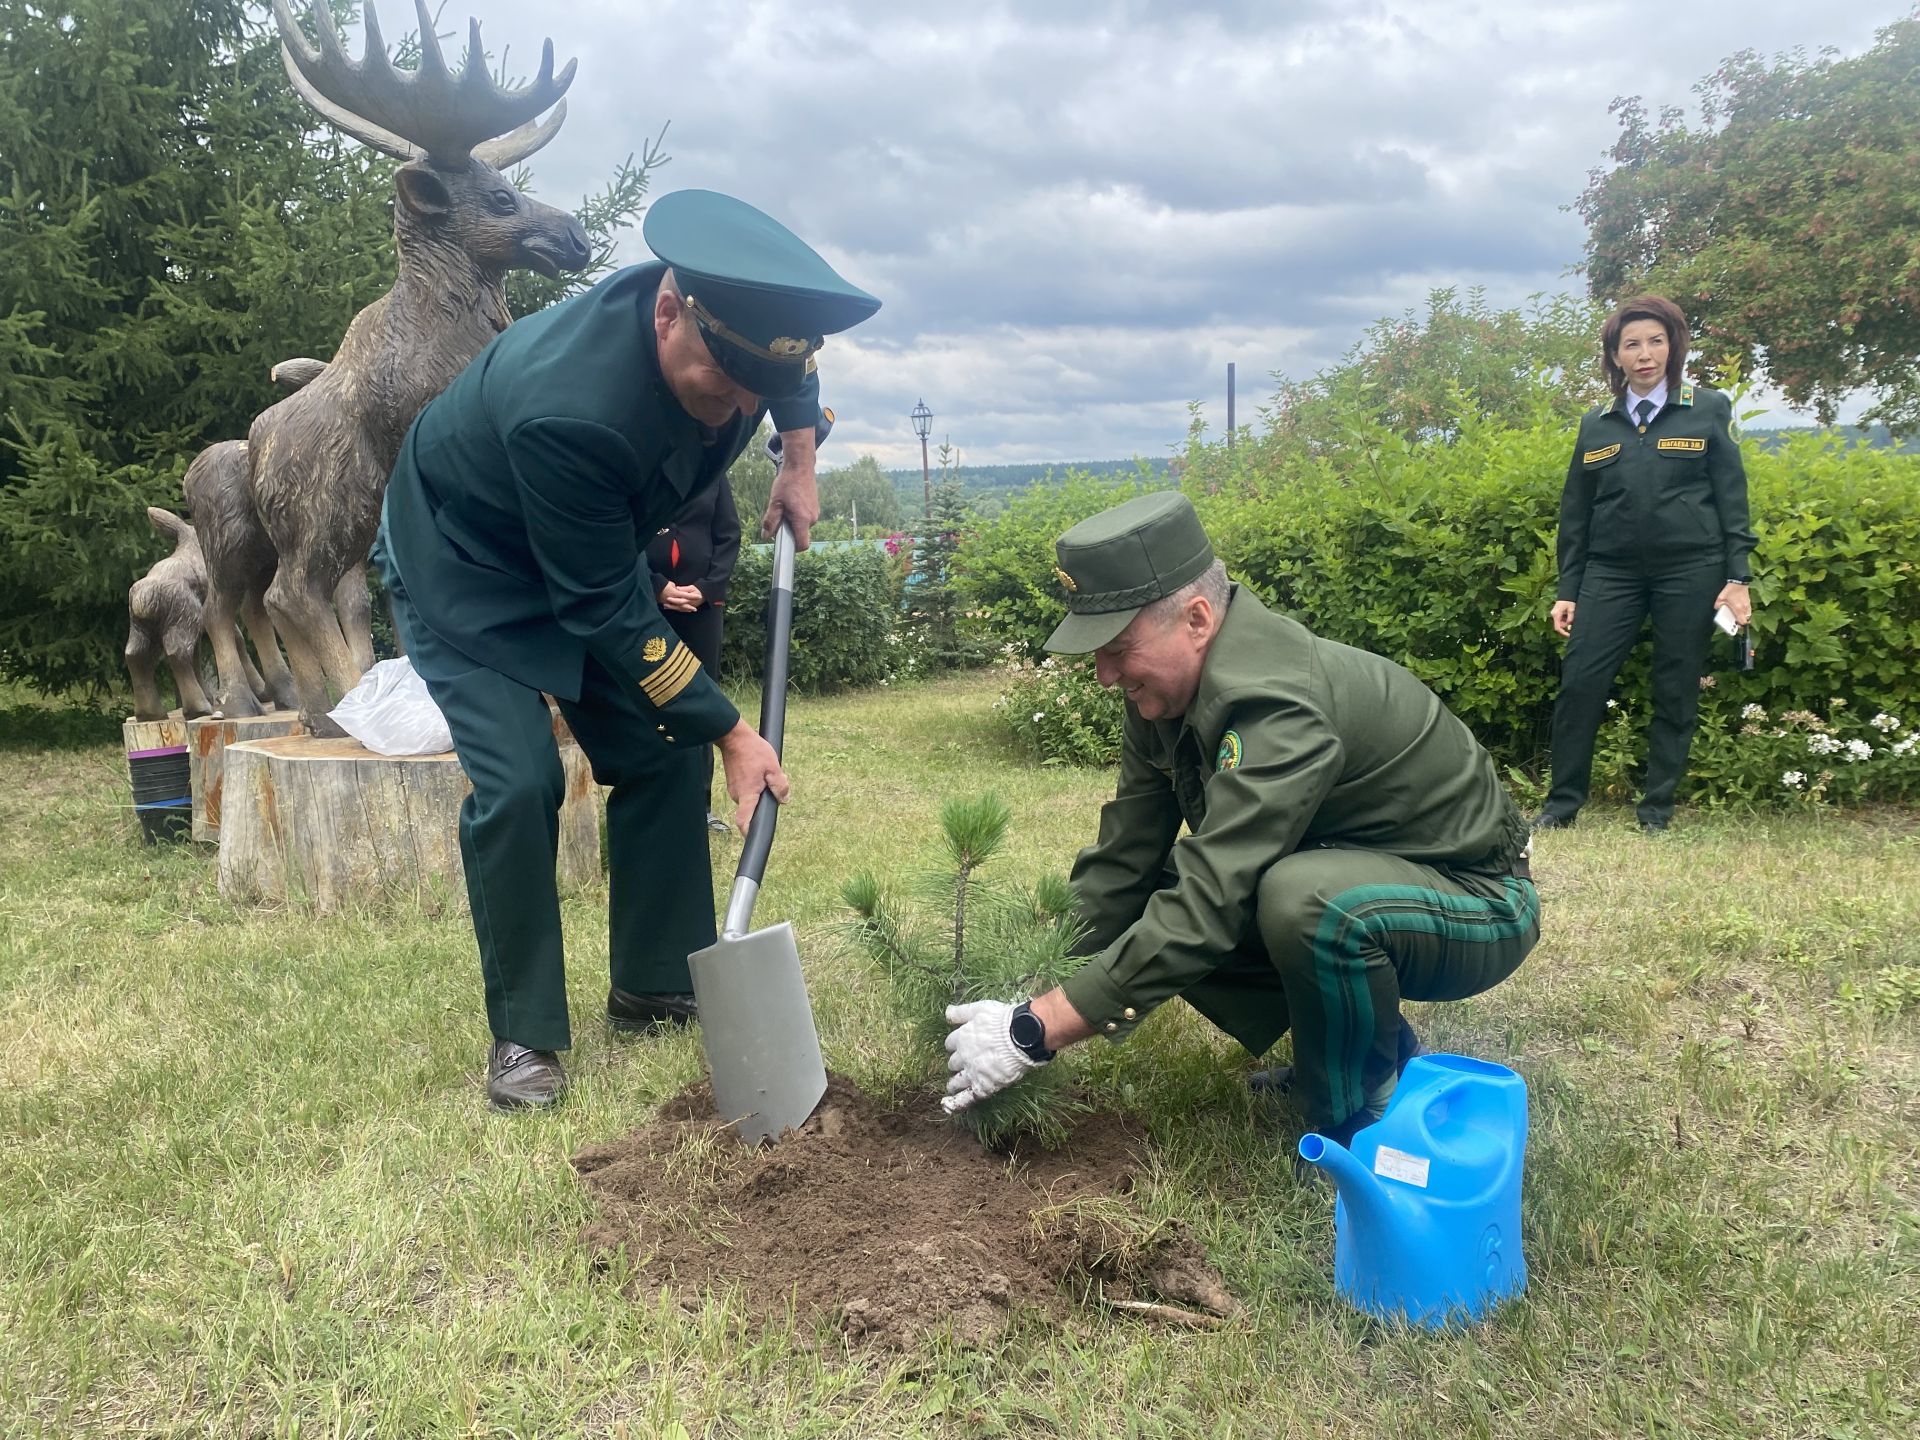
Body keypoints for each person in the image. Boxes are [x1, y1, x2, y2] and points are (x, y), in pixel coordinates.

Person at [375, 190, 880, 1110]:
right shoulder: (570, 408)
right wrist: (733, 730)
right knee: (523, 780)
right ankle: (524, 1036)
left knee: (661, 749)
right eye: (716, 381)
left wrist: (798, 465)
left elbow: (790, 367)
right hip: (468, 567)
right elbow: (604, 606)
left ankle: (652, 981)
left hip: (583, 551)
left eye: (747, 390)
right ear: (665, 311)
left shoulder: (743, 337)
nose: (729, 405)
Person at [942, 493, 1540, 1150]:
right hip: (1368, 879)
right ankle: (1364, 1043)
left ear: (1196, 619)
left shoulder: (1281, 705)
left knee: (1302, 902)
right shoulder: (1163, 700)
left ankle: (1353, 1120)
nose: (1103, 675)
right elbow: (1123, 864)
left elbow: (1210, 902)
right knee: (1188, 888)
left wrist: (1036, 1030)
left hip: (1479, 901)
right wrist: (1027, 987)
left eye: (1116, 647)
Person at [1534, 295, 1755, 833]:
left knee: (1675, 685)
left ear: (1673, 346)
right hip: (1611, 573)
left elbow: (1732, 497)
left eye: (1656, 340)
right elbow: (1576, 514)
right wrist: (1569, 588)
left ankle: (1655, 810)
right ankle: (1561, 806)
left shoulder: (1707, 408)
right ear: (1615, 355)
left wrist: (1737, 577)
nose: (1645, 353)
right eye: (1631, 344)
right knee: (1581, 682)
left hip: (1691, 569)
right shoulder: (1598, 425)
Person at [646, 472, 742, 832]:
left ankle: (700, 807)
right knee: (652, 702)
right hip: (648, 607)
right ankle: (656, 802)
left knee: (701, 699)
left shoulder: (713, 473)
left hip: (702, 610)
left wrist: (705, 588)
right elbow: (622, 536)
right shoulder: (642, 465)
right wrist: (656, 586)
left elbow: (728, 536)